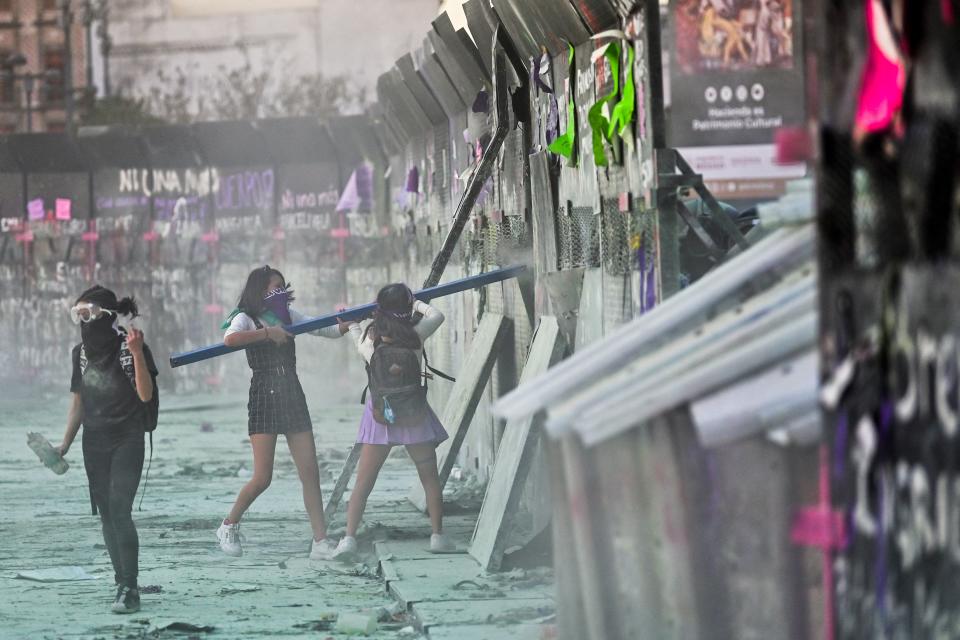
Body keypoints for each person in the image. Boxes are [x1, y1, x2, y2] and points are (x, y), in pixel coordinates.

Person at [216, 265, 346, 559]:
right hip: (264, 394)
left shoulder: (288, 315)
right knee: (263, 477)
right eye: (274, 288)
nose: (280, 293)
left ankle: (320, 541)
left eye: (282, 287)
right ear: (260, 291)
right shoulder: (245, 317)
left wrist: (344, 324)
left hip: (291, 392)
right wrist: (266, 333)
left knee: (310, 472)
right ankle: (228, 525)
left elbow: (322, 327)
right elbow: (230, 340)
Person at [332, 283, 455, 558]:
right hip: (413, 414)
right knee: (429, 477)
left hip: (380, 416)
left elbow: (355, 333)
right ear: (406, 308)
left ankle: (349, 538)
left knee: (364, 483)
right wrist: (419, 304)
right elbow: (437, 316)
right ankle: (437, 536)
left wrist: (352, 324)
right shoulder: (416, 336)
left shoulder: (369, 340)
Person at [56, 286, 158, 615]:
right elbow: (78, 404)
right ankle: (121, 582)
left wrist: (139, 354)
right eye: (79, 316)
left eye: (90, 314)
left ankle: (130, 587)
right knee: (106, 514)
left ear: (108, 316)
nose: (85, 321)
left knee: (120, 508)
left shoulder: (131, 347)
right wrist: (64, 444)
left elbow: (145, 395)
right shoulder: (80, 354)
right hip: (94, 440)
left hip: (128, 436)